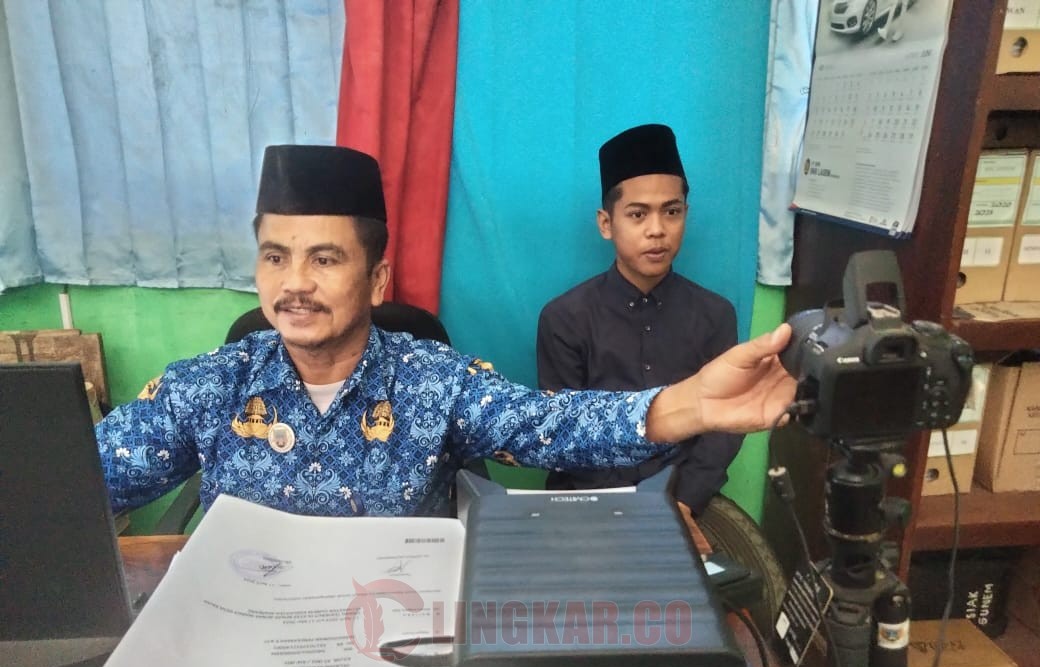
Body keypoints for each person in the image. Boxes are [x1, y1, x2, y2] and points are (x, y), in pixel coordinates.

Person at [96, 144, 795, 519]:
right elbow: (81, 482)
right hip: (246, 651)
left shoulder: (432, 383)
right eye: (275, 257)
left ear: (377, 280)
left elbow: (550, 425)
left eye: (325, 259)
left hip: (396, 643)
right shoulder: (210, 386)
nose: (294, 284)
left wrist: (691, 404)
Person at [537, 124, 743, 544]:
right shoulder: (564, 318)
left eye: (672, 212)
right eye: (638, 214)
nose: (657, 230)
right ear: (606, 223)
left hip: (685, 501)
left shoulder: (715, 315)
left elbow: (724, 425)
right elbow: (565, 434)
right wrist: (632, 515)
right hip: (586, 503)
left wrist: (681, 503)